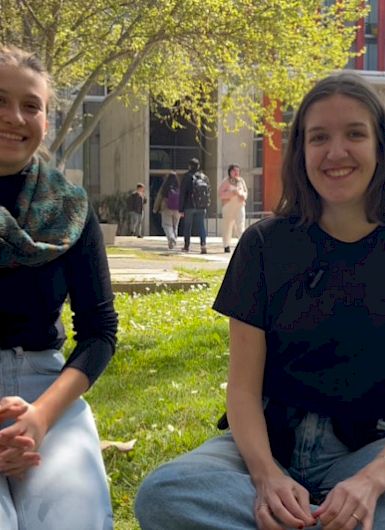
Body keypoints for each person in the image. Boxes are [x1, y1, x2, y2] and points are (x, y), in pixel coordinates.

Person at [135, 71, 385, 530]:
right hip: (269, 443)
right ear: (301, 151)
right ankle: (323, 520)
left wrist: (370, 482)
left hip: (367, 450)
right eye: (318, 137)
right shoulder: (264, 245)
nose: (335, 152)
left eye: (355, 134)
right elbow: (244, 389)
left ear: (379, 147)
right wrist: (267, 476)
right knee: (163, 493)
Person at [0, 45, 117, 529]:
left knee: (75, 517)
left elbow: (99, 331)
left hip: (47, 391)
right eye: (0, 101)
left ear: (46, 119)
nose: (15, 117)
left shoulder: (71, 209)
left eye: (31, 105)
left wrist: (42, 417)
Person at [179, 157, 211, 254]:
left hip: (189, 206)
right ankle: (203, 245)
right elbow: (208, 191)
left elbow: (183, 193)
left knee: (187, 226)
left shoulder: (187, 176)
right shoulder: (204, 177)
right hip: (201, 206)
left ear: (189, 166)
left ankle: (186, 246)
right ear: (198, 166)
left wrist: (181, 208)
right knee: (201, 226)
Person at [218, 163, 248, 253]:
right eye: (234, 171)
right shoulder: (226, 181)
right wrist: (232, 193)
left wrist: (242, 195)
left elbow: (245, 192)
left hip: (239, 206)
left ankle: (242, 244)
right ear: (230, 172)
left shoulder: (241, 181)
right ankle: (226, 245)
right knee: (227, 226)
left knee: (240, 225)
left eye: (237, 171)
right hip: (228, 207)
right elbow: (220, 194)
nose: (236, 173)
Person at [153, 171, 181, 249]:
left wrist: (155, 208)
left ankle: (171, 238)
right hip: (177, 209)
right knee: (175, 226)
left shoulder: (164, 187)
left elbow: (159, 198)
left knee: (167, 225)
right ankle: (173, 240)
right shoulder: (179, 187)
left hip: (166, 208)